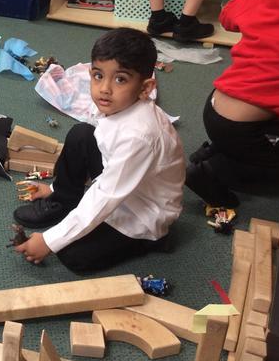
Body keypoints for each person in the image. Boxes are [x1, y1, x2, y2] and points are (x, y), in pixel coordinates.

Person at [13, 29, 185, 272]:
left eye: (120, 79)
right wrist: (55, 188)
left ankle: (152, 241)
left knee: (72, 256)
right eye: (98, 75)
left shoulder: (139, 136)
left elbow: (106, 195)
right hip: (122, 179)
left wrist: (49, 241)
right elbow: (106, 157)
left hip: (143, 212)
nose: (104, 88)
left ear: (145, 88)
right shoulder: (117, 105)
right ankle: (63, 199)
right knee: (81, 134)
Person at [186, 0, 279, 211]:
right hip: (241, 128)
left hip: (216, 106)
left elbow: (228, 15)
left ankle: (216, 150)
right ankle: (213, 170)